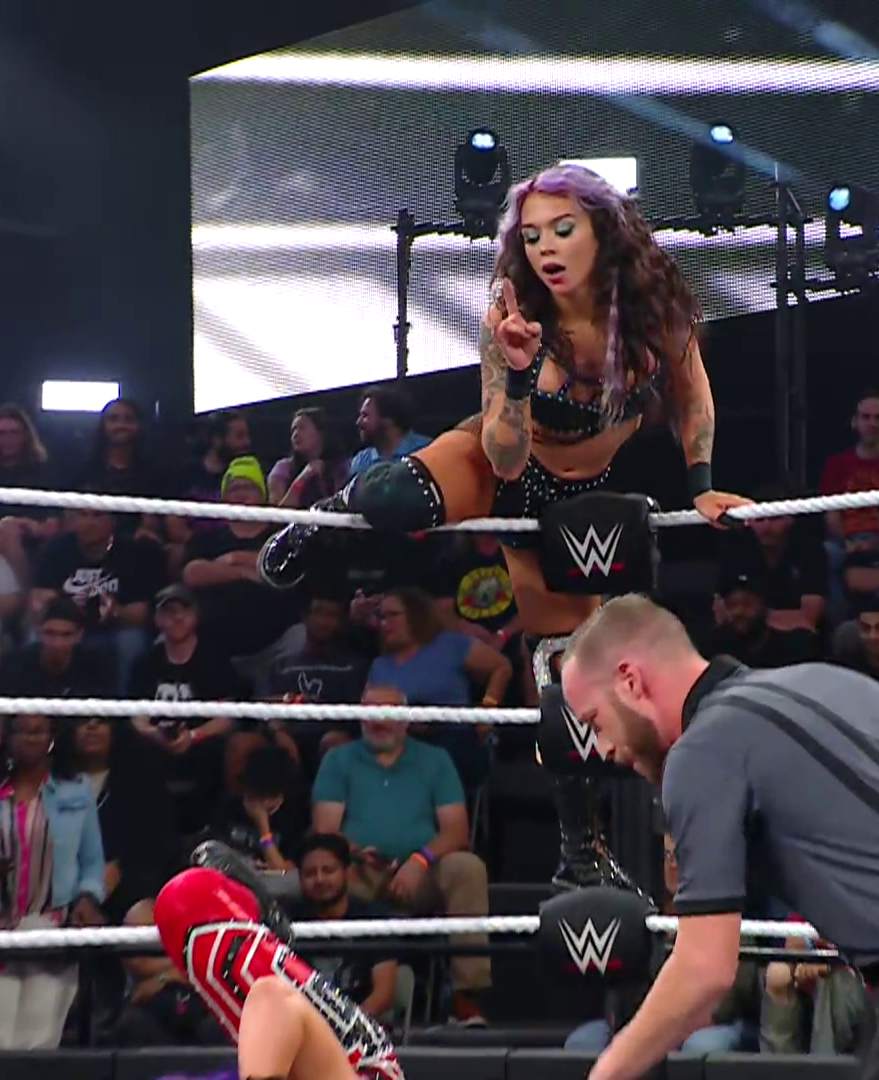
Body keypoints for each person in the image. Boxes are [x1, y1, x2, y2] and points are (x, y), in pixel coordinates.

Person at [258, 162, 748, 892]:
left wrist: (702, 485)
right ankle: (328, 515)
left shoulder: (655, 306)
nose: (545, 248)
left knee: (570, 676)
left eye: (563, 229)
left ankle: (579, 851)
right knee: (395, 500)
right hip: (503, 458)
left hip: (571, 498)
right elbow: (505, 451)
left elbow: (693, 394)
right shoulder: (513, 309)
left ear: (603, 230)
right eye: (532, 235)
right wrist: (519, 373)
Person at [556, 594, 879, 1080]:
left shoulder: (700, 754)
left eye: (595, 722)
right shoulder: (830, 679)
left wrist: (604, 1074)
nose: (601, 748)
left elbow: (704, 971)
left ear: (631, 682)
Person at [152, 841, 403, 1079]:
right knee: (186, 900)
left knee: (268, 994)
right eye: (312, 872)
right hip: (353, 1053)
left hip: (355, 1053)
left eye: (328, 870)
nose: (320, 879)